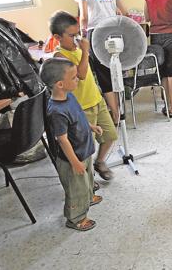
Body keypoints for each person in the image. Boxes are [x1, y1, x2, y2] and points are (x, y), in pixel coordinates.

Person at [51, 11, 118, 181]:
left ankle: (100, 162)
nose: (76, 39)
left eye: (78, 34)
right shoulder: (59, 56)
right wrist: (85, 51)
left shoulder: (78, 49)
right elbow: (80, 74)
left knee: (110, 135)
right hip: (81, 107)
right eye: (71, 36)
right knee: (85, 147)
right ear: (57, 37)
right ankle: (87, 180)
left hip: (96, 99)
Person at [41, 57, 103, 231]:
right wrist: (74, 162)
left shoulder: (70, 97)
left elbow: (79, 117)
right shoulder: (56, 111)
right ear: (60, 84)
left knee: (88, 179)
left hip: (84, 150)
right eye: (74, 77)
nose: (78, 79)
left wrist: (91, 126)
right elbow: (62, 139)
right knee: (76, 189)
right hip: (72, 158)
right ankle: (76, 218)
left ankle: (89, 197)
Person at [74, 0, 128, 124]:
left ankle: (116, 114)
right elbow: (125, 12)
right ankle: (121, 110)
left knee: (103, 75)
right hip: (114, 31)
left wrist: (81, 35)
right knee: (115, 70)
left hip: (95, 33)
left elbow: (84, 16)